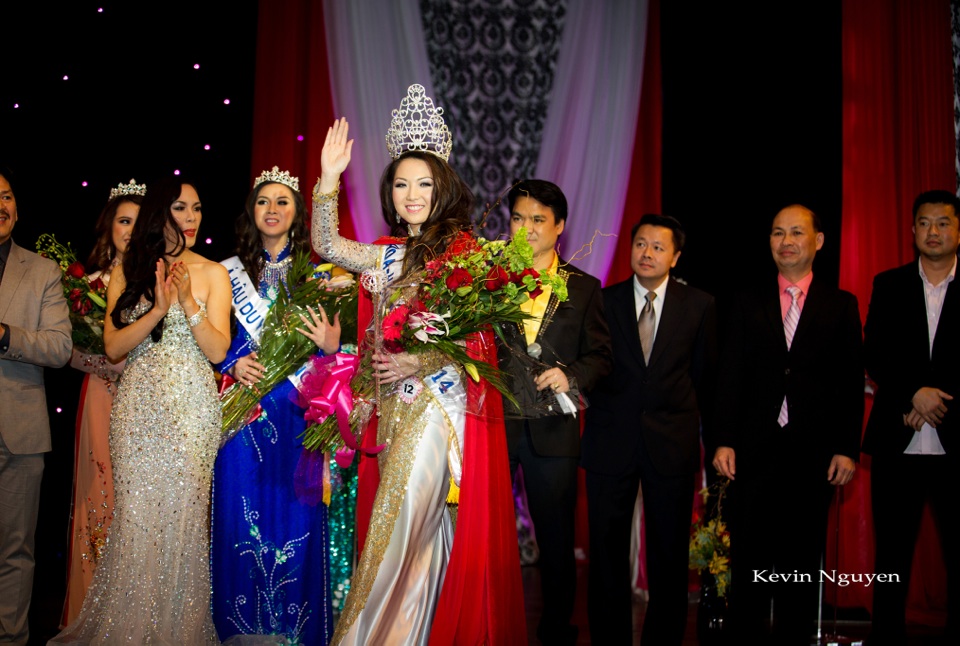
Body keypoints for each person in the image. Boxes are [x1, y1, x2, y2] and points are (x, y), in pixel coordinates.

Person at [311, 85, 525, 645]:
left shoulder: (466, 253)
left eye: (424, 183)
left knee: (399, 526)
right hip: (390, 409)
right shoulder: (383, 255)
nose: (412, 194)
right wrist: (330, 178)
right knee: (423, 538)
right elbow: (325, 242)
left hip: (438, 409)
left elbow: (474, 346)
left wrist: (417, 359)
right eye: (402, 183)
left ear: (443, 188)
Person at [49, 176, 232, 644]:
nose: (188, 218)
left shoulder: (214, 272)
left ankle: (177, 631)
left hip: (192, 411)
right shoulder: (129, 271)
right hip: (137, 412)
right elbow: (112, 347)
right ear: (160, 214)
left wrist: (187, 300)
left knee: (184, 523)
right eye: (178, 208)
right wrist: (155, 310)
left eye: (195, 209)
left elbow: (216, 352)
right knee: (137, 519)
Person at [710, 204, 863, 645]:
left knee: (800, 564)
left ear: (818, 241)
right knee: (750, 566)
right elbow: (728, 377)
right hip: (753, 453)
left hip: (813, 456)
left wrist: (847, 448)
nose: (786, 241)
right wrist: (722, 440)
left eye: (797, 232)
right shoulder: (746, 300)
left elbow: (850, 385)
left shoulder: (841, 305)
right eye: (778, 233)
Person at [212, 167, 339, 645]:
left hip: (298, 410)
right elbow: (207, 338)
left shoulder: (322, 276)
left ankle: (294, 631)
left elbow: (341, 355)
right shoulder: (225, 273)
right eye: (263, 201)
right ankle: (236, 630)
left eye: (283, 201)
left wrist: (332, 345)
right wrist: (229, 361)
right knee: (237, 509)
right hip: (243, 411)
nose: (272, 209)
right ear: (252, 212)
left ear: (298, 213)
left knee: (295, 513)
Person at [582, 214, 716, 645]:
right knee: (606, 554)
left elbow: (704, 379)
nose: (647, 253)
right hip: (610, 440)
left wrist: (714, 443)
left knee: (669, 555)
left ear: (675, 256)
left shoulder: (699, 305)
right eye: (641, 243)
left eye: (658, 247)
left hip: (670, 444)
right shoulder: (603, 300)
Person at [496, 178, 612, 645]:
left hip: (554, 432)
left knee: (557, 544)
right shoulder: (486, 278)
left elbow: (602, 356)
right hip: (494, 427)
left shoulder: (584, 288)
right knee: (484, 536)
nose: (526, 229)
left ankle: (556, 633)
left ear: (560, 226)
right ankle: (492, 627)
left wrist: (572, 377)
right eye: (518, 218)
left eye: (537, 220)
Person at [862, 189, 960, 644]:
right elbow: (875, 351)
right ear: (913, 230)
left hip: (956, 441)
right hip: (897, 442)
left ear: (958, 230)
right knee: (892, 561)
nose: (933, 231)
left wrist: (937, 400)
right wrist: (913, 394)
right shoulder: (889, 283)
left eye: (943, 222)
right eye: (925, 222)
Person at [60, 179, 143, 626]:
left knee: (140, 501)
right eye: (122, 221)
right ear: (108, 227)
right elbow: (67, 350)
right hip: (102, 398)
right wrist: (106, 362)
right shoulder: (88, 286)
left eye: (137, 221)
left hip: (149, 406)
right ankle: (93, 611)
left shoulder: (159, 283)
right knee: (101, 495)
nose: (129, 230)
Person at [0, 164, 72, 645]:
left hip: (18, 433)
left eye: (5, 196)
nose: (0, 206)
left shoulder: (42, 271)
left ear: (17, 207)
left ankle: (11, 639)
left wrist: (5, 336)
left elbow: (60, 348)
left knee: (14, 551)